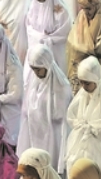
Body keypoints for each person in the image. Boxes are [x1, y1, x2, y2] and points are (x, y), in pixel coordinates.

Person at [18, 44, 72, 173]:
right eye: (33, 69)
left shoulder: (61, 85)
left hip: (53, 135)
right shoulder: (33, 81)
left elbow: (59, 115)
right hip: (34, 131)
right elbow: (26, 108)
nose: (36, 73)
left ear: (47, 65)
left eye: (39, 69)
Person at [64, 57, 101, 176]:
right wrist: (82, 127)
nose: (83, 86)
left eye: (87, 83)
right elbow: (71, 116)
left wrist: (91, 129)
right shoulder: (82, 96)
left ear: (96, 80)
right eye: (81, 82)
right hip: (80, 147)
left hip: (100, 151)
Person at [24, 0, 72, 72]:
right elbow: (29, 27)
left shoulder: (60, 8)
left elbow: (65, 31)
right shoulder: (33, 6)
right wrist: (40, 37)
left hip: (55, 52)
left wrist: (48, 39)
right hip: (35, 50)